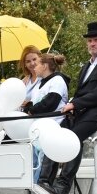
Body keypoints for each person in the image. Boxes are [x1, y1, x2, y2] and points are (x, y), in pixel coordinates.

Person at [43, 21, 97, 194]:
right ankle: (44, 182)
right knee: (55, 134)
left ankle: (62, 187)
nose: (92, 44)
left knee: (73, 137)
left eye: (96, 40)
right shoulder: (86, 67)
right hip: (85, 111)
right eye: (89, 41)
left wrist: (76, 104)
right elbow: (81, 92)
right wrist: (73, 104)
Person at [24, 53, 70, 184]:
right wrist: (27, 108)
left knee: (44, 162)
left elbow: (51, 102)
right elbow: (33, 103)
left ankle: (40, 186)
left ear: (44, 66)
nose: (34, 67)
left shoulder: (57, 81)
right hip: (37, 130)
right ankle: (30, 185)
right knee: (33, 162)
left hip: (51, 128)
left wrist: (32, 111)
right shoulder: (39, 85)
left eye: (37, 64)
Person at [18, 45, 42, 111]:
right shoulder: (23, 82)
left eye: (34, 59)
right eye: (28, 61)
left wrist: (29, 104)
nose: (32, 63)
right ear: (24, 64)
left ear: (40, 58)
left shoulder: (46, 77)